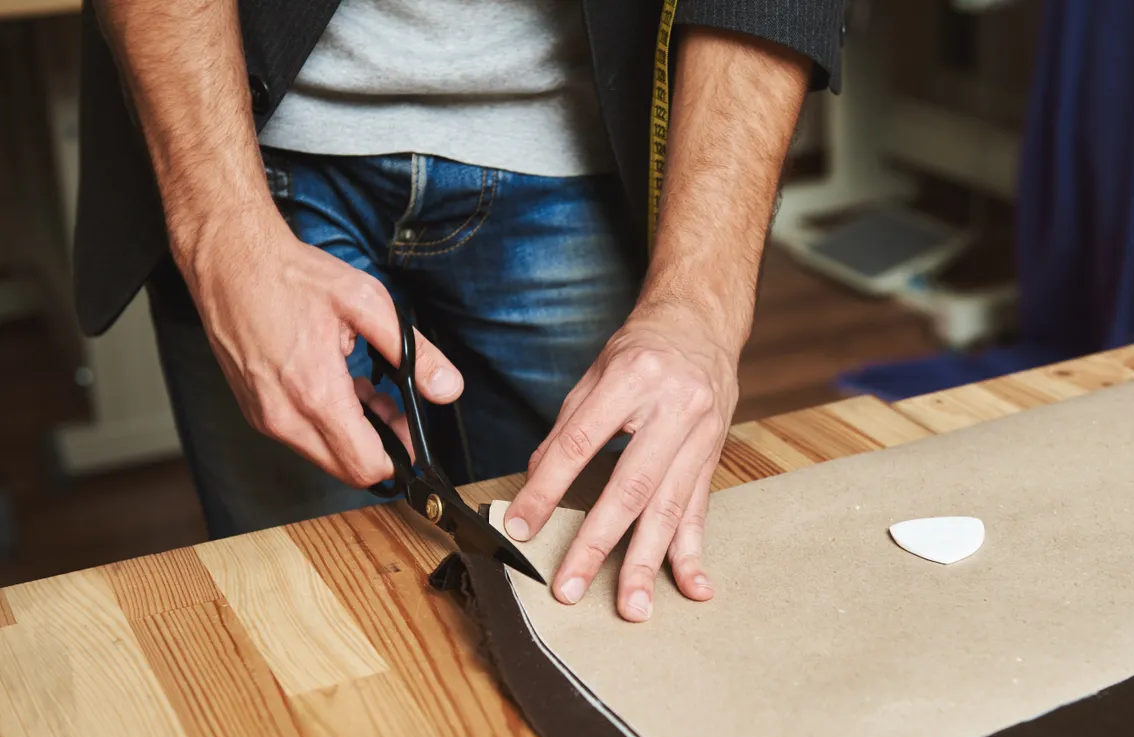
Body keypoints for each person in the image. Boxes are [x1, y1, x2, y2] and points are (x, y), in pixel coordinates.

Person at [75, 0, 844, 621]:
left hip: (583, 147)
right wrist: (221, 230)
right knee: (311, 618)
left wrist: (699, 306)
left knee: (601, 593)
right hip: (244, 143)